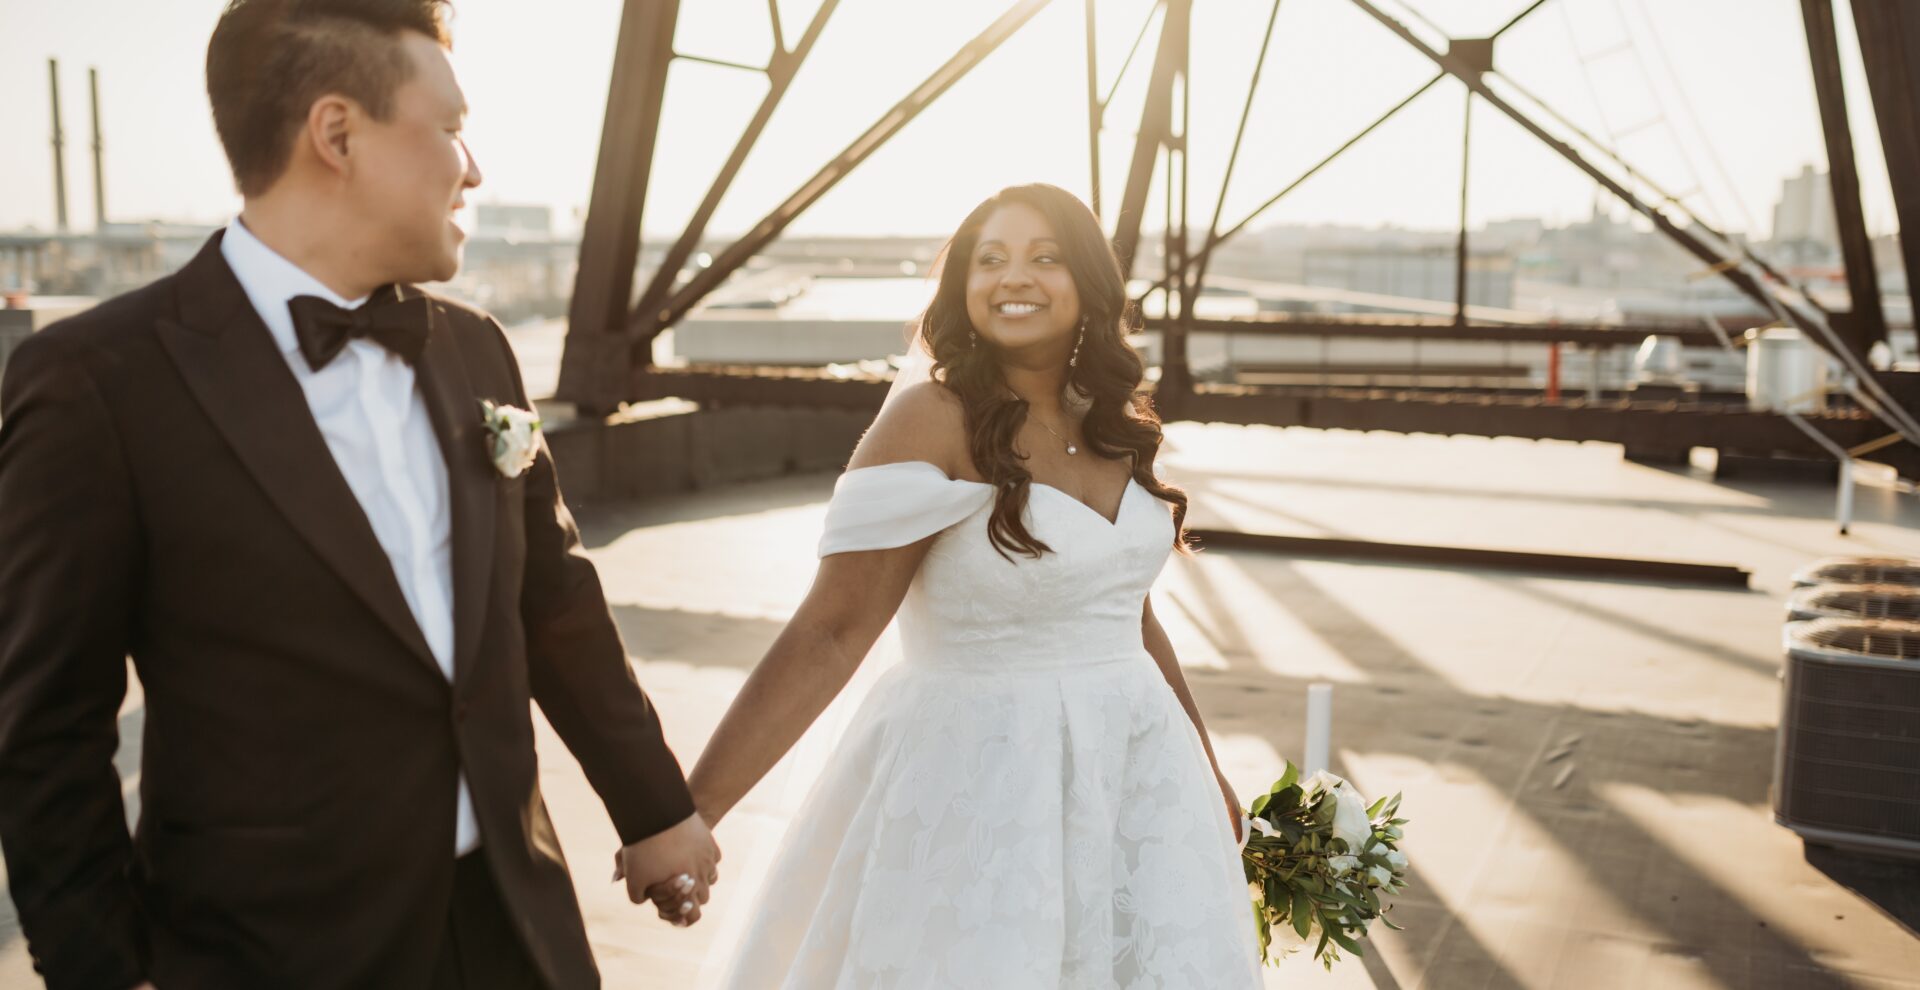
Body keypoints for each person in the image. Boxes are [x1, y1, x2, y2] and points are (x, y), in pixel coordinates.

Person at [0, 2, 714, 987]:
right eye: (451, 125)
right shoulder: (95, 382)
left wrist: (658, 809)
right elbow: (44, 730)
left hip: (519, 931)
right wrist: (107, 972)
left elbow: (554, 605)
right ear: (337, 134)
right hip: (272, 956)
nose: (474, 168)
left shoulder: (476, 347)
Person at [689, 183, 1263, 987]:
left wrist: (1204, 766)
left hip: (1136, 778)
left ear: (1088, 282)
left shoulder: (1112, 418)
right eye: (988, 259)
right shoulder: (932, 417)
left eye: (1043, 257)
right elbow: (832, 629)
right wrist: (693, 812)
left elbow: (1126, 612)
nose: (1012, 277)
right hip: (980, 788)